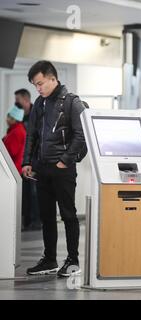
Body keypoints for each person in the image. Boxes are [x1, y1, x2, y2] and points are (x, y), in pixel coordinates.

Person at [22, 60, 87, 277]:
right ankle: (49, 259)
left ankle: (72, 261)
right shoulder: (39, 104)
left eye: (40, 83)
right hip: (42, 168)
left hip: (63, 169)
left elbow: (81, 135)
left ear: (53, 78)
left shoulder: (71, 102)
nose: (38, 88)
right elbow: (32, 135)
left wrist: (65, 160)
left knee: (68, 215)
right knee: (47, 216)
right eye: (35, 85)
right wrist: (27, 162)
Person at [15, 88, 41, 231]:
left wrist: (32, 162)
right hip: (23, 162)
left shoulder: (35, 114)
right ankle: (28, 220)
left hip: (34, 161)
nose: (16, 103)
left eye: (17, 99)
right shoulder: (19, 116)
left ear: (25, 99)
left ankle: (37, 221)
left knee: (35, 193)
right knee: (26, 194)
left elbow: (34, 140)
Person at [2, 105, 26, 174]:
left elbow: (10, 152)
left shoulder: (17, 132)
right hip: (14, 169)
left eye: (9, 117)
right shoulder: (16, 130)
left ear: (14, 119)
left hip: (13, 170)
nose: (7, 119)